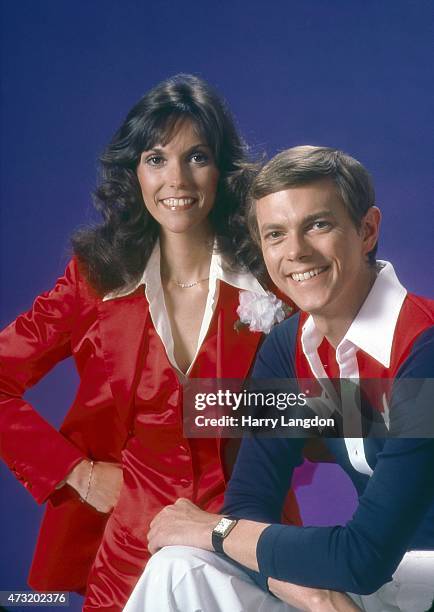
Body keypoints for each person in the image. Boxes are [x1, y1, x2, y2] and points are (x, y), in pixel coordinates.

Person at [0, 74, 301, 610]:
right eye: (156, 158)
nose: (176, 178)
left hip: (251, 548)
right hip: (127, 562)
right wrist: (79, 475)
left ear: (222, 168)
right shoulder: (92, 281)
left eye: (198, 156)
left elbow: (358, 407)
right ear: (133, 172)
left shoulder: (273, 275)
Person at [125, 146, 434, 612]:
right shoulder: (289, 349)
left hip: (411, 575)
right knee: (178, 567)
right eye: (275, 234)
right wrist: (309, 593)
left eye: (318, 224)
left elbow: (364, 555)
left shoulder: (423, 350)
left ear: (367, 230)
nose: (295, 252)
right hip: (376, 584)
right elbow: (250, 504)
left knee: (205, 542)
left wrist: (212, 529)